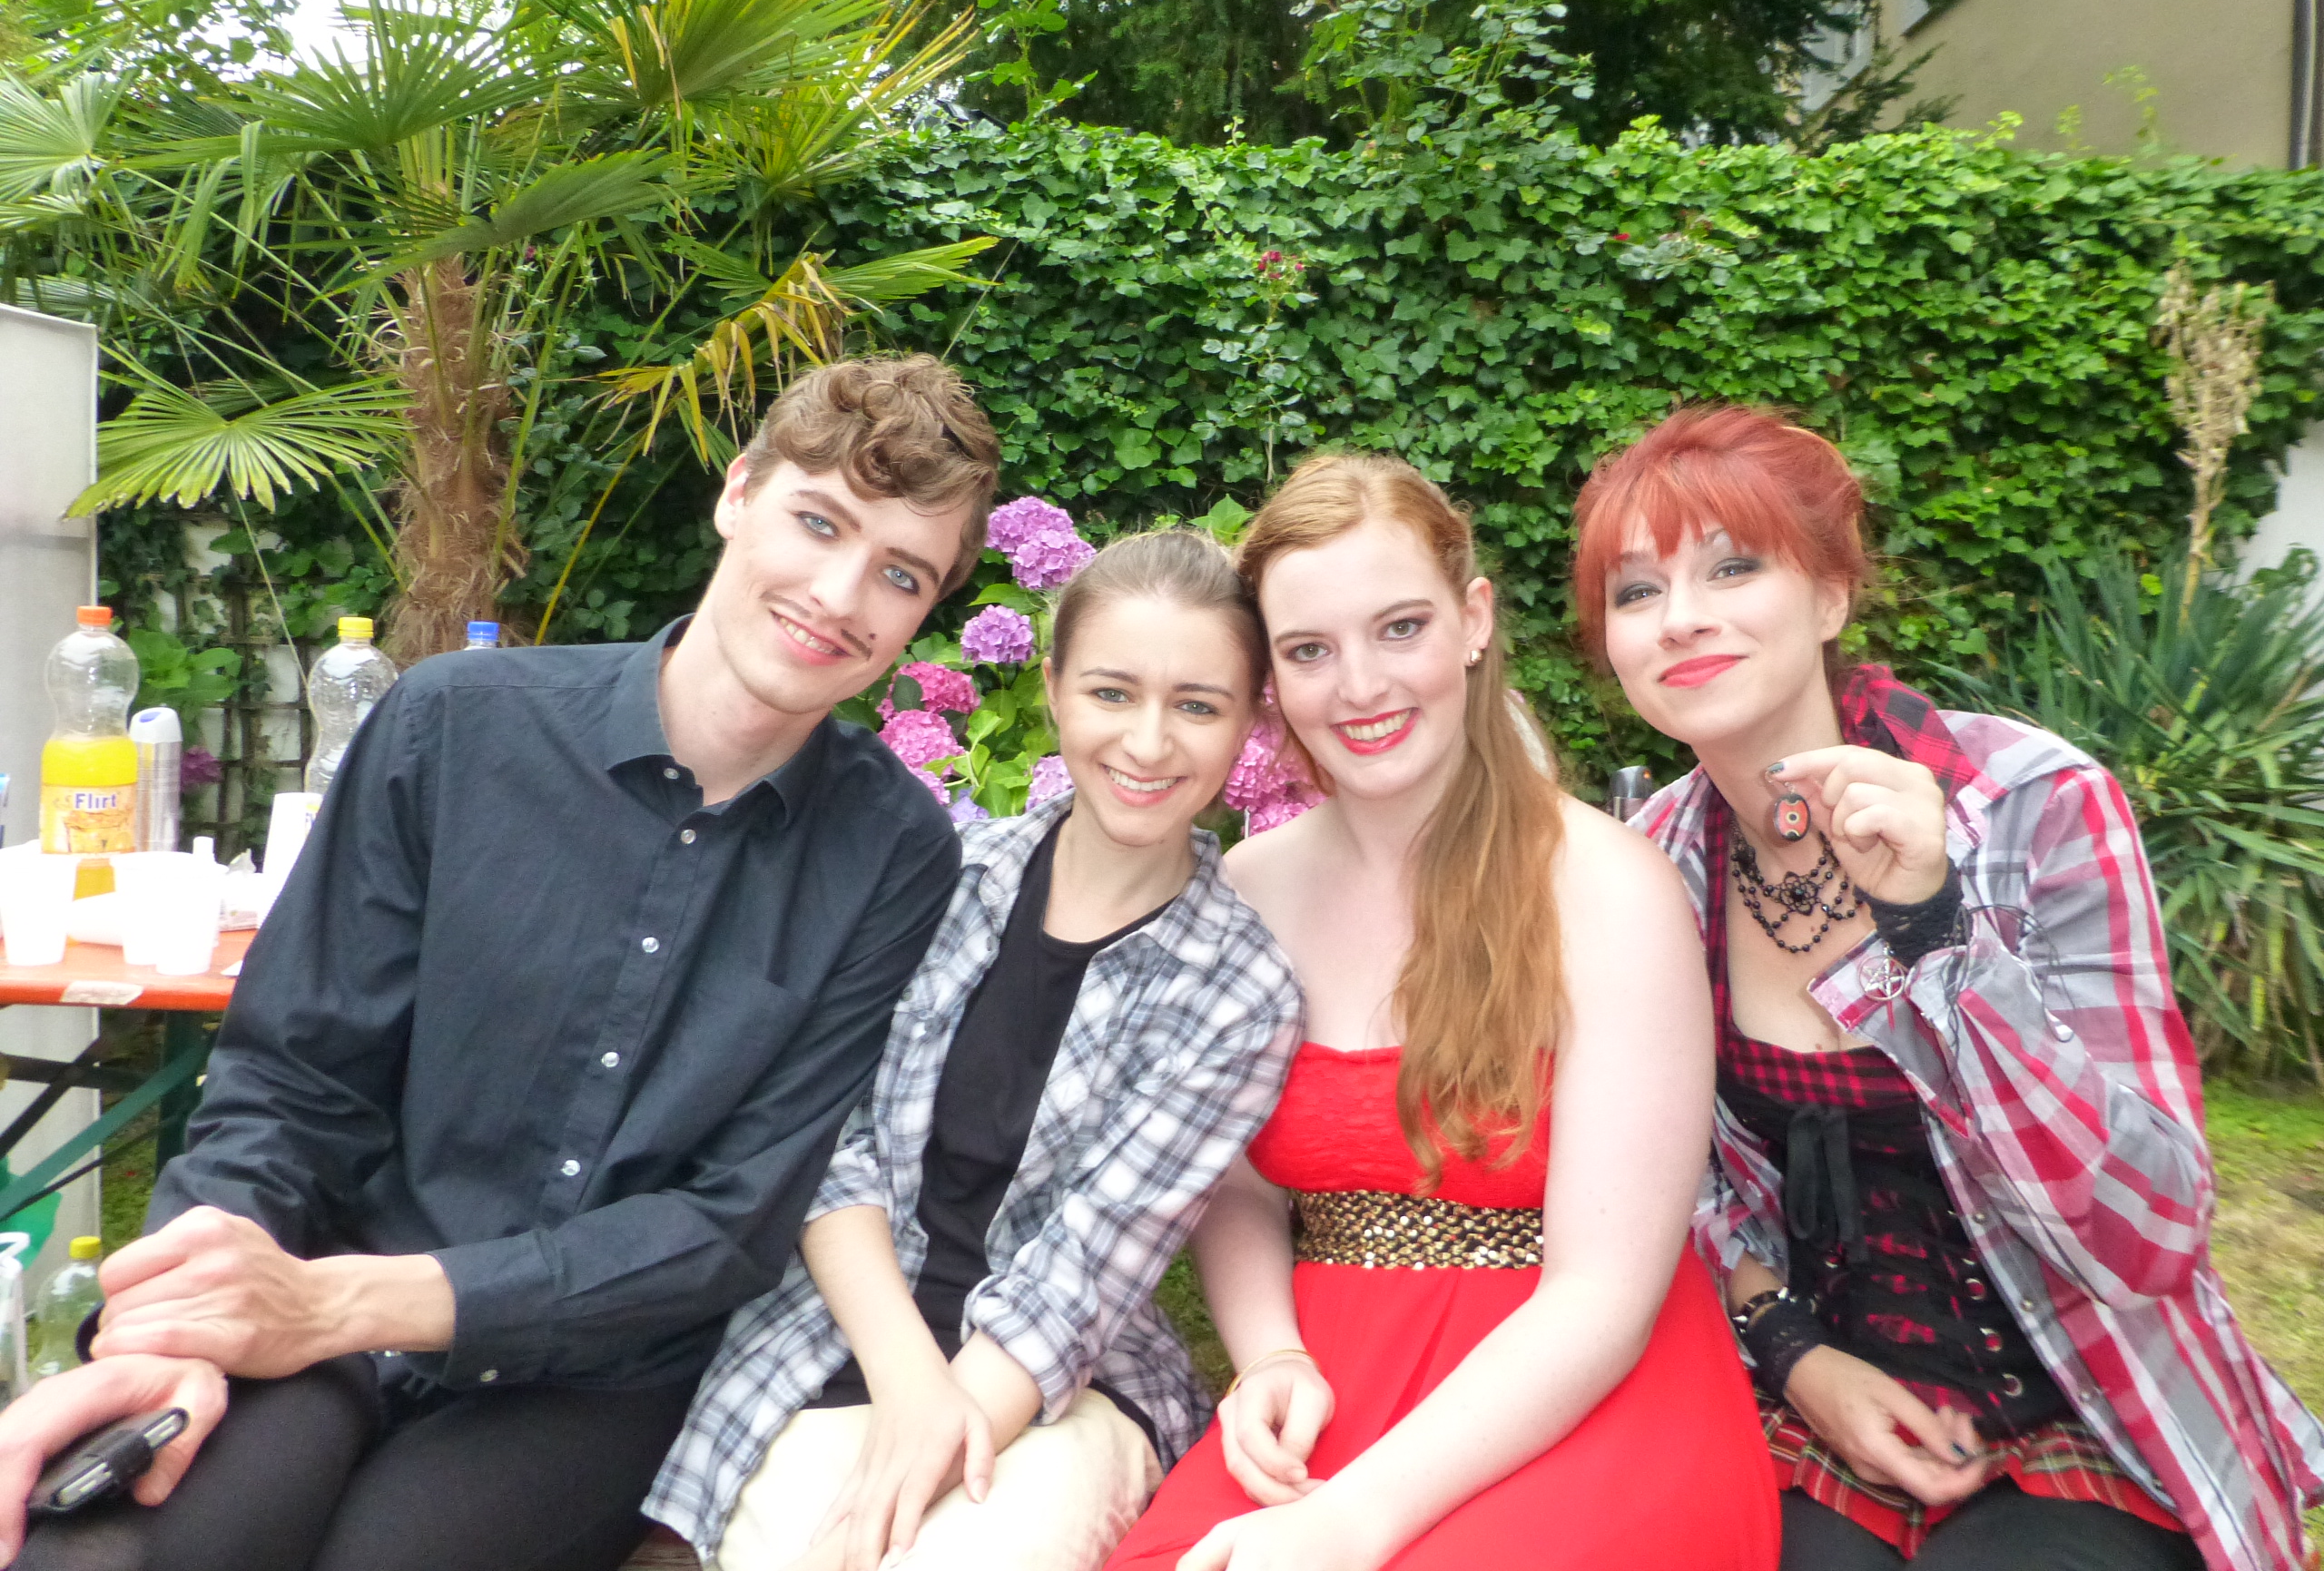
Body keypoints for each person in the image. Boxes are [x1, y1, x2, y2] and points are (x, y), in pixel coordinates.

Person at [0, 357, 1003, 1571]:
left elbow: (731, 1220)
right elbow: (292, 1080)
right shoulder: (452, 725)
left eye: (900, 574)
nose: (839, 596)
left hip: (587, 1375)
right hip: (322, 1293)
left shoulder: (893, 850)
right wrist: (182, 1325)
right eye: (819, 522)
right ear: (738, 493)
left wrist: (343, 1304)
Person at [1570, 404, 2324, 1571]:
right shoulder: (1650, 864)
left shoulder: (2035, 806)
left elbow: (2151, 1234)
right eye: (1635, 592)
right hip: (1804, 1400)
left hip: (2088, 1400)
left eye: (1732, 568)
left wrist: (1934, 931)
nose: (1680, 619)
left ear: (1829, 595)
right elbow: (1679, 1194)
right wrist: (1797, 1356)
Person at [1108, 453, 1780, 1571]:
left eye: (1400, 629)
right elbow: (1235, 1186)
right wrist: (1268, 1354)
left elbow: (1604, 1294)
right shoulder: (1244, 895)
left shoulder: (1607, 891)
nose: (1360, 686)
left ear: (1472, 620)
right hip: (1328, 1384)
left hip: (1576, 1394)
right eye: (1309, 651)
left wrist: (1350, 1521)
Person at [648, 529, 1304, 1571]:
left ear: (1246, 723)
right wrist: (910, 1389)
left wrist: (936, 1444)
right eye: (1111, 692)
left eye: (1197, 705)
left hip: (1060, 1383)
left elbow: (1089, 1268)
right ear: (1052, 689)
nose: (1147, 743)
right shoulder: (939, 874)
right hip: (843, 1329)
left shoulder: (1240, 991)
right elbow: (830, 1139)